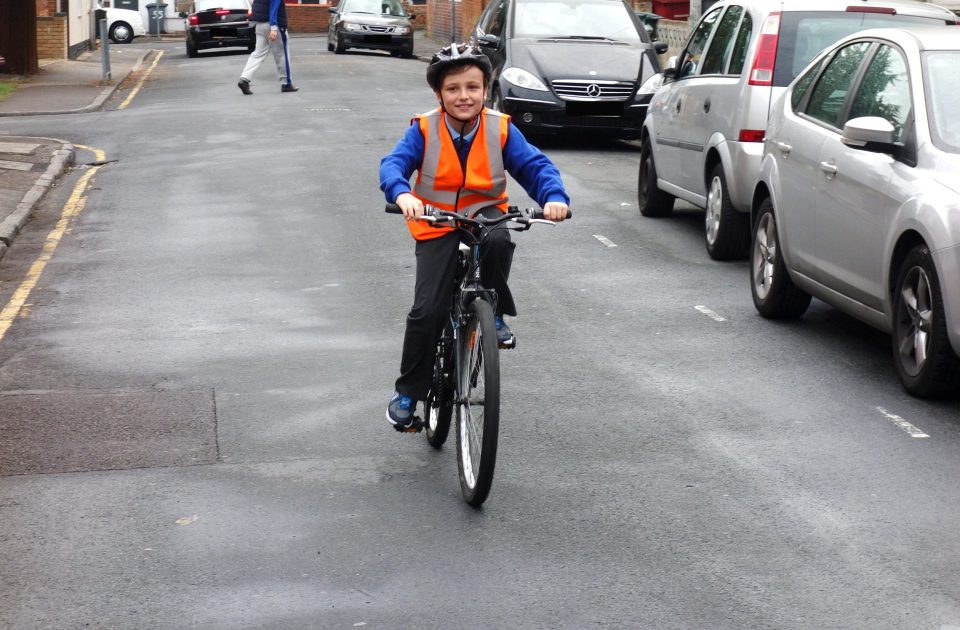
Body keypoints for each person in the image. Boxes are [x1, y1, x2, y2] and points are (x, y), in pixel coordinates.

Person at [379, 43, 570, 431]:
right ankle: (407, 393)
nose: (463, 96)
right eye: (453, 88)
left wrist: (554, 198)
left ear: (487, 90)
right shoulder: (424, 128)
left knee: (499, 239)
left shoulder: (500, 128)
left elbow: (535, 166)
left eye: (472, 87)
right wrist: (402, 194)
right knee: (427, 310)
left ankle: (493, 312)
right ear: (439, 94)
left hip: (484, 214)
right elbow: (394, 164)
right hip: (436, 220)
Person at [238, 0, 298, 95]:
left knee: (257, 53)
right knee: (282, 54)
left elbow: (255, 6)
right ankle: (286, 84)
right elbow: (274, 8)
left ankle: (244, 79)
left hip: (260, 25)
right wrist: (273, 27)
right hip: (274, 25)